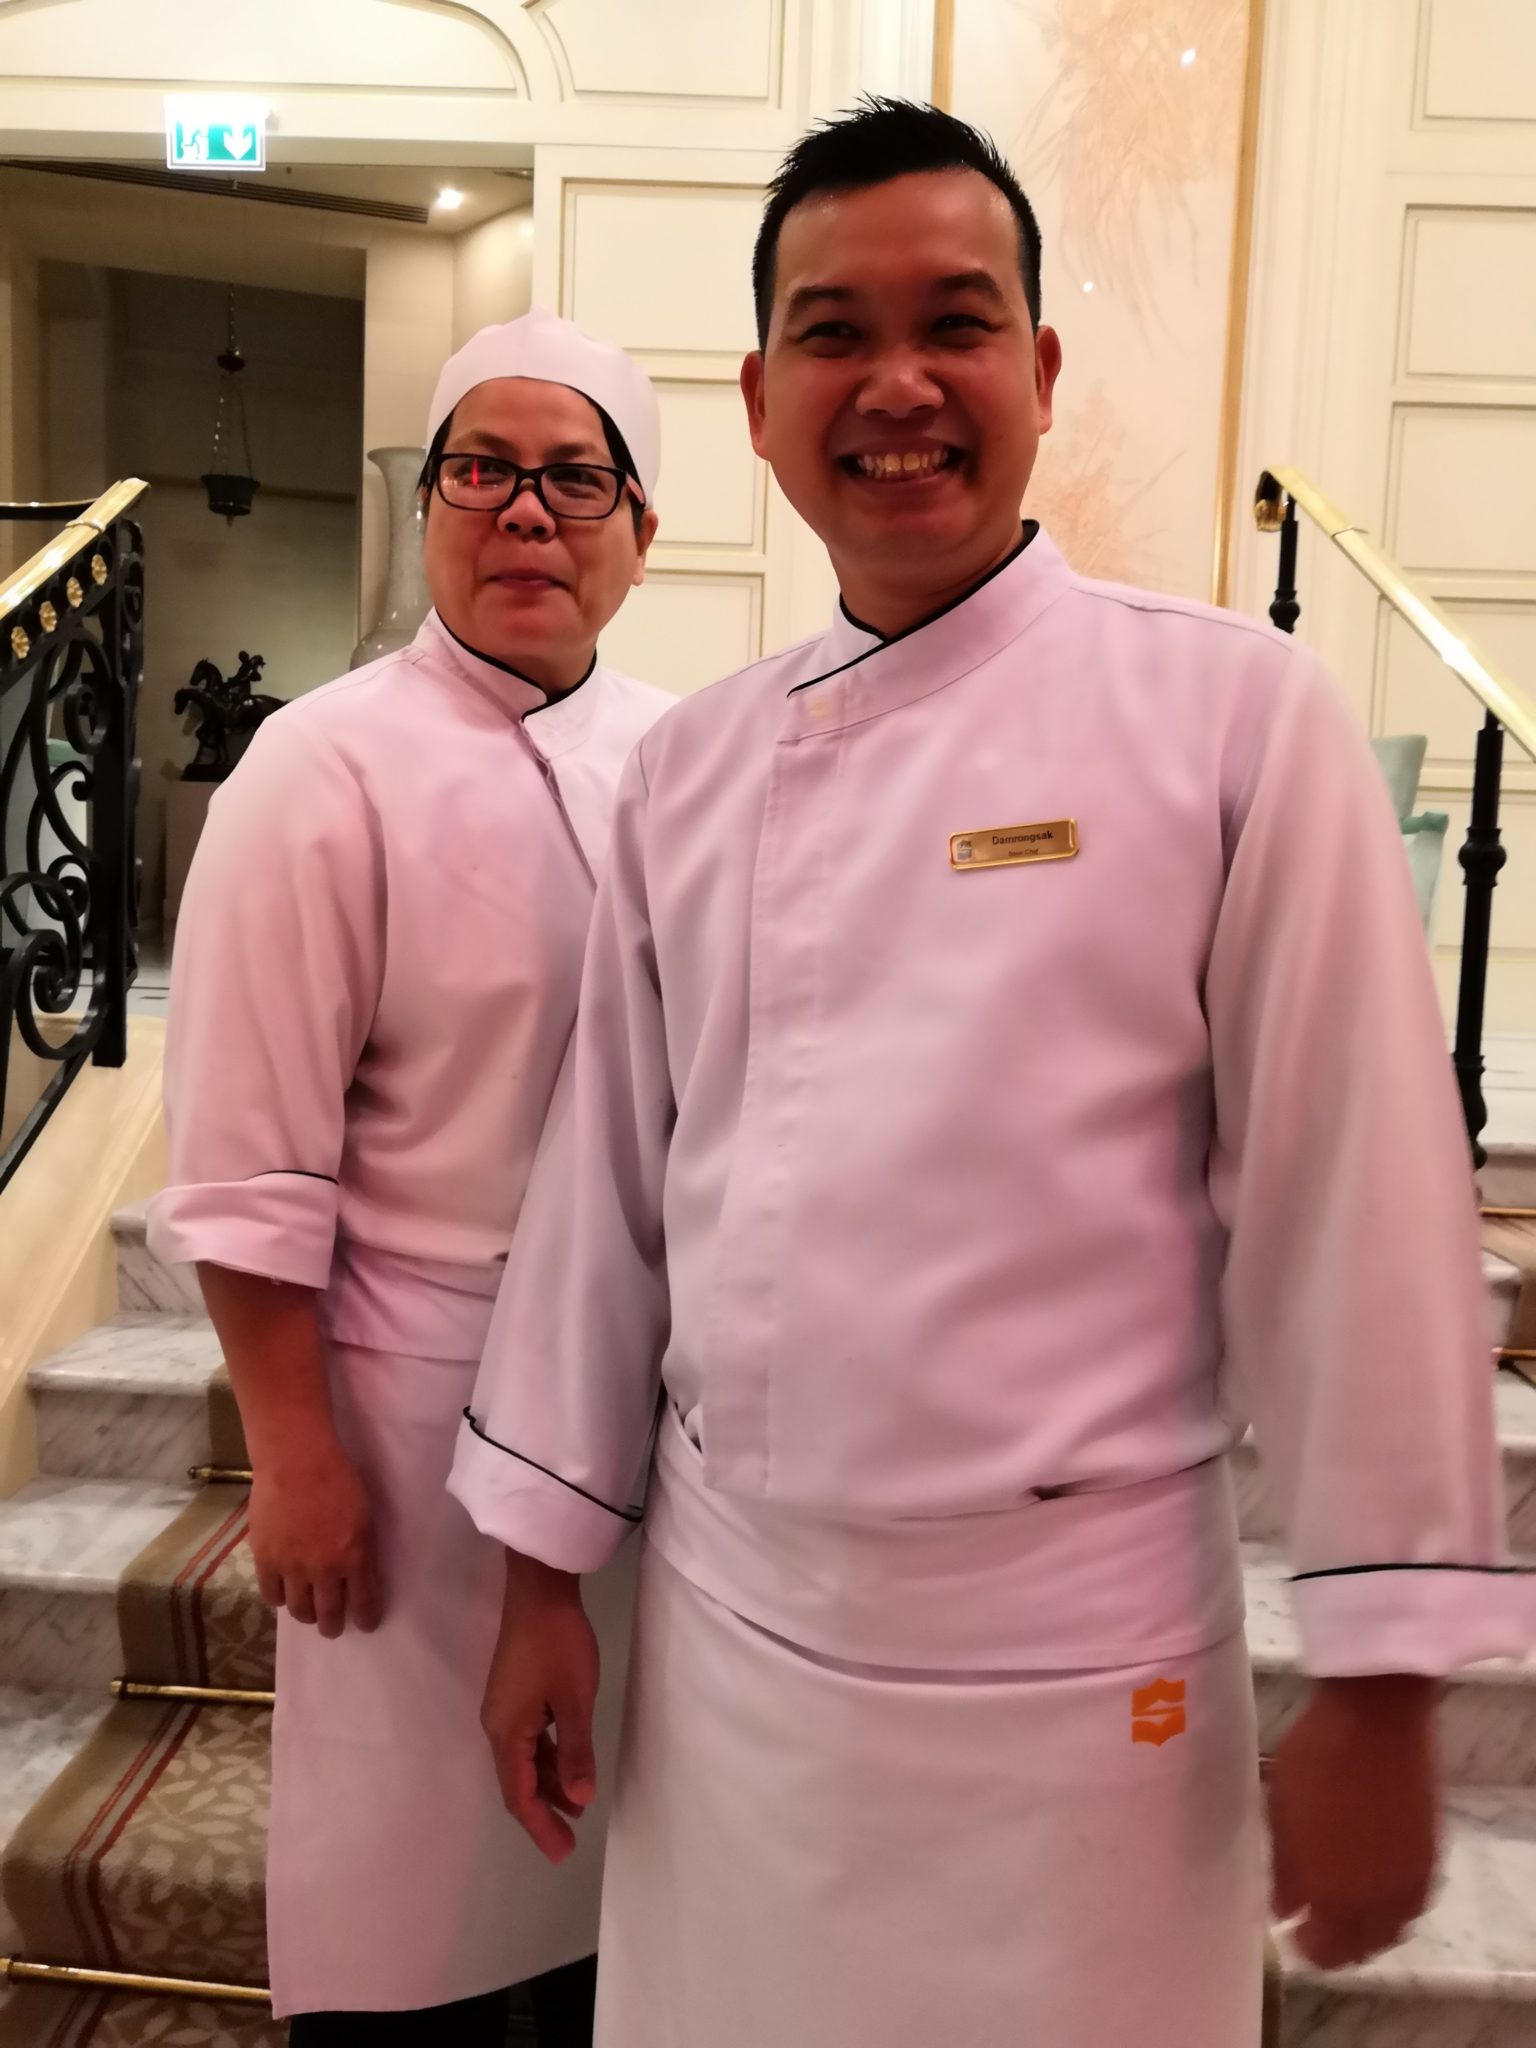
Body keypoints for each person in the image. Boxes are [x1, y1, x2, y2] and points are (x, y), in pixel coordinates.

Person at [448, 101, 1528, 2047]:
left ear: (1038, 369)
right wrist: (541, 1583)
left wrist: (1381, 1685)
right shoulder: (692, 769)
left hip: (1078, 1683)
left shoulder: (1231, 721)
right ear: (763, 402)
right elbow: (606, 1207)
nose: (899, 386)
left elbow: (1357, 1212)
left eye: (954, 324)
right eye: (835, 334)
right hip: (738, 1663)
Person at [149, 308, 674, 2045]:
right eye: (483, 470)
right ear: (427, 507)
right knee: (417, 1927)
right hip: (406, 1425)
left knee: (628, 1899)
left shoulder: (692, 759)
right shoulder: (320, 768)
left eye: (574, 478)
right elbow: (248, 1163)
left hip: (649, 1410)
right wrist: (292, 1453)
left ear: (640, 530)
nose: (526, 510)